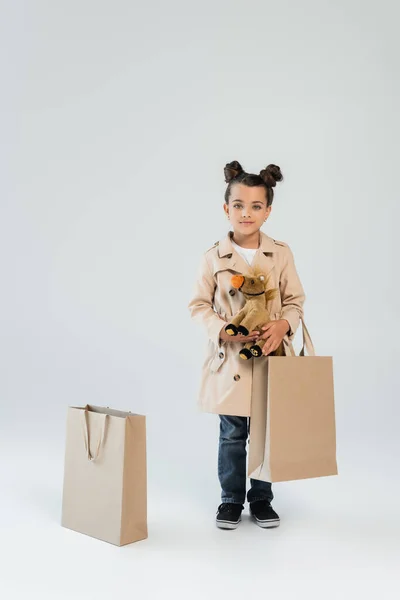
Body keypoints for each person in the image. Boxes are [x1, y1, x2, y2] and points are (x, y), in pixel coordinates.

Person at [187, 160, 305, 530]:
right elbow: (198, 306)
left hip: (271, 357)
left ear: (268, 211)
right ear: (226, 208)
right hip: (232, 361)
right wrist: (223, 329)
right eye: (238, 205)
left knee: (267, 432)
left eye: (256, 206)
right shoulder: (213, 257)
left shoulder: (280, 253)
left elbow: (295, 300)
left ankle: (262, 499)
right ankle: (231, 500)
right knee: (233, 434)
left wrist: (284, 323)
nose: (246, 213)